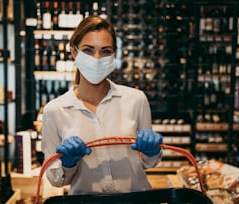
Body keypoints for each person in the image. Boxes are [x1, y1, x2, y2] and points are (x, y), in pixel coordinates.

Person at [41, 16, 163, 195]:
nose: (96, 59)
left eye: (105, 51)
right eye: (88, 50)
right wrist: (68, 163)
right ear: (74, 51)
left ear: (114, 54)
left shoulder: (136, 100)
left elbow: (148, 163)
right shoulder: (55, 111)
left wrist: (152, 152)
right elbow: (56, 180)